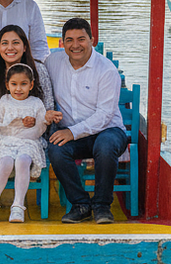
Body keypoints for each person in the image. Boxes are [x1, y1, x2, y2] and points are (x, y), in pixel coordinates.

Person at [45, 17, 127, 225]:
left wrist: (72, 132)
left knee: (106, 146)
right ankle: (81, 205)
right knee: (55, 149)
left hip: (108, 131)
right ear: (62, 43)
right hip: (72, 132)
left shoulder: (106, 70)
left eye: (81, 39)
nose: (75, 45)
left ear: (92, 40)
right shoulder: (52, 63)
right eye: (69, 40)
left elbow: (105, 115)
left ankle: (102, 206)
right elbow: (37, 87)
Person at [0, 63, 57, 223]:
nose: (18, 88)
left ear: (31, 84)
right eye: (14, 84)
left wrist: (41, 120)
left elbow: (41, 127)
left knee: (23, 161)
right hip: (6, 141)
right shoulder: (5, 100)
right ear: (7, 85)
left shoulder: (36, 103)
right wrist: (16, 122)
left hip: (28, 141)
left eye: (23, 84)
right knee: (6, 162)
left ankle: (18, 206)